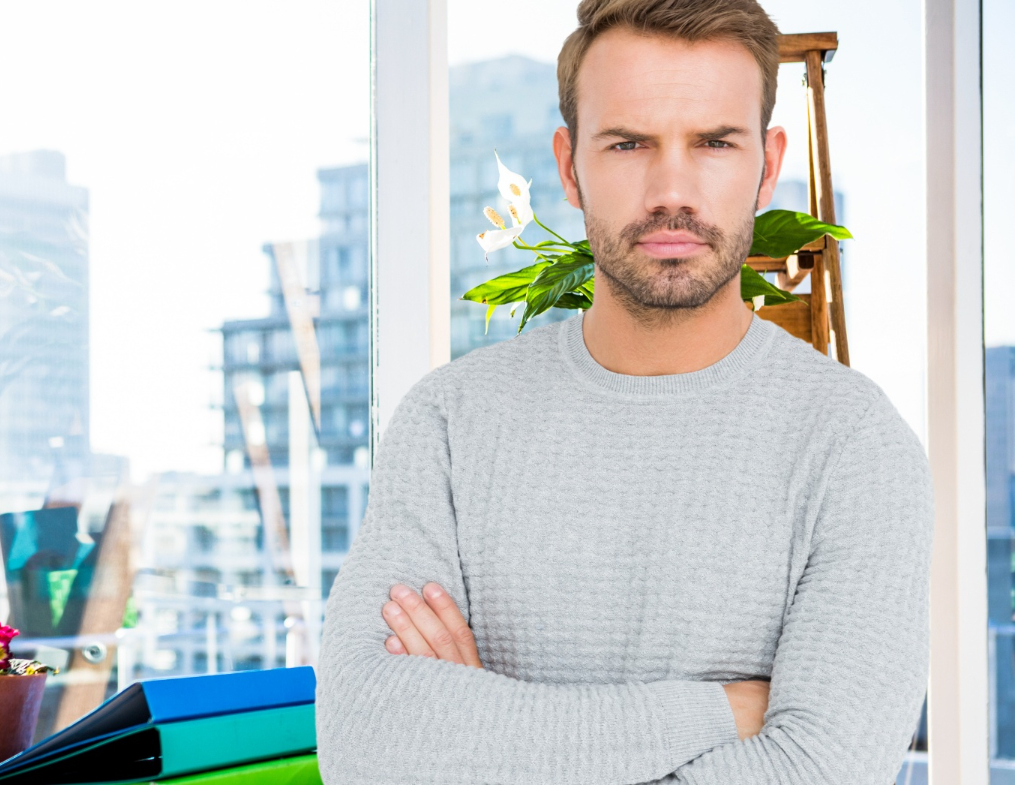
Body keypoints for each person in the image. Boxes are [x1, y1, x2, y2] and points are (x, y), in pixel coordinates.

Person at [314, 0, 932, 782]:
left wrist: (482, 742)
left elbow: (817, 769)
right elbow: (366, 745)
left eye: (714, 142)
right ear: (570, 166)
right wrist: (721, 709)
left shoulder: (856, 448)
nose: (671, 191)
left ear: (768, 166)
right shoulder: (448, 424)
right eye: (629, 142)